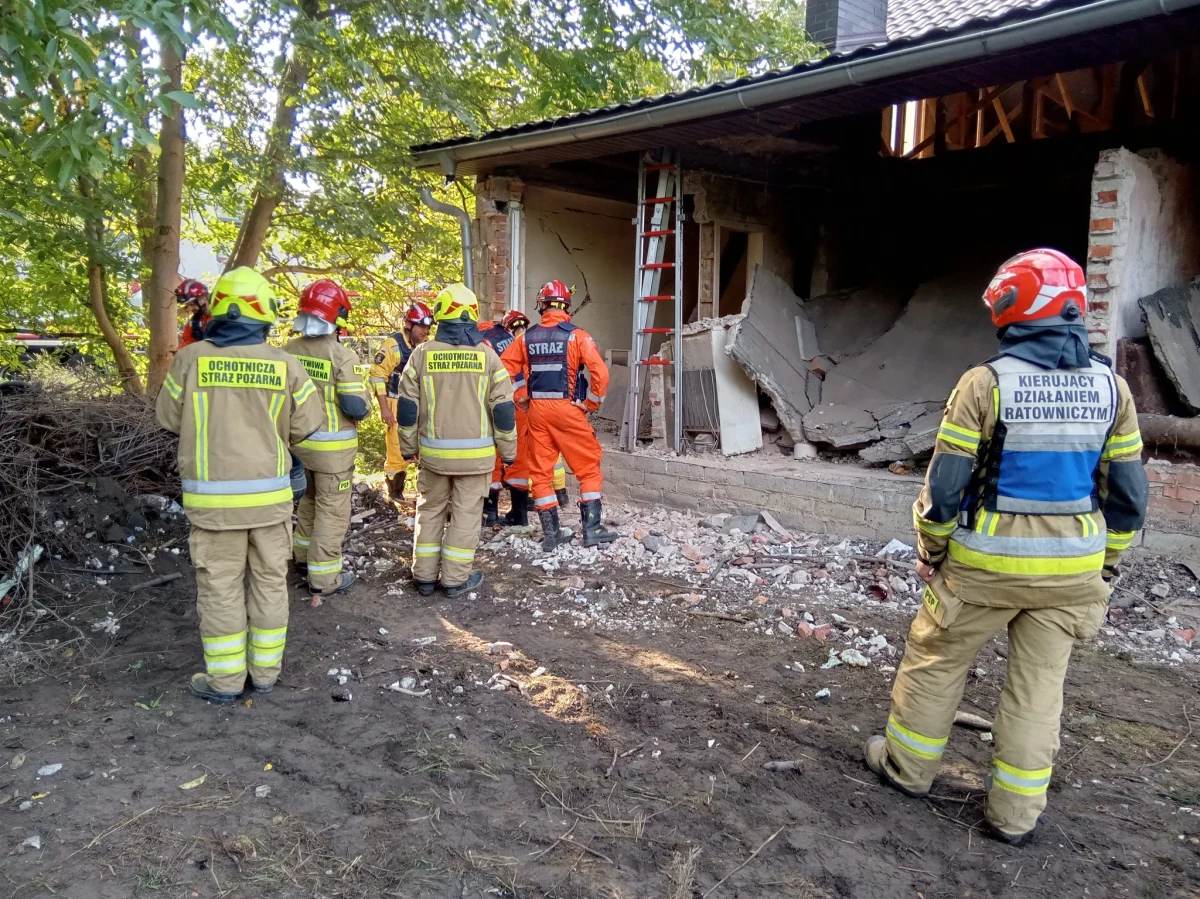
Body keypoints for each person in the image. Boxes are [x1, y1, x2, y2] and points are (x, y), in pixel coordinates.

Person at [863, 249, 1149, 845]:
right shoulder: (1113, 389)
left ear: (1014, 309)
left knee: (936, 661)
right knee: (1039, 688)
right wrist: (1107, 564)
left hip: (983, 570)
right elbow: (1127, 496)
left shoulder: (985, 383)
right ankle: (1014, 817)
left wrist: (931, 551)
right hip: (1072, 574)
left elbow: (945, 488)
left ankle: (907, 769)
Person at [156, 266, 324, 704]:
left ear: (216, 311)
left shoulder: (190, 359)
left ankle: (226, 682)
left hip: (213, 507)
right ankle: (265, 675)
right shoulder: (285, 365)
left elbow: (168, 418)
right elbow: (308, 424)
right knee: (269, 583)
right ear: (265, 313)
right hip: (269, 503)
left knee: (220, 588)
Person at [394, 283, 517, 596]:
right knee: (465, 516)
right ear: (472, 315)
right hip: (475, 461)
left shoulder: (421, 355)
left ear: (440, 316)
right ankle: (454, 580)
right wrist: (509, 452)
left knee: (430, 511)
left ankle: (423, 577)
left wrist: (407, 448)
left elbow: (407, 409)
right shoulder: (488, 357)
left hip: (433, 457)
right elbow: (503, 411)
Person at [502, 280, 616, 551]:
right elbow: (600, 373)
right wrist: (591, 403)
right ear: (566, 307)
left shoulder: (525, 338)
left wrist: (519, 396)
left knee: (540, 473)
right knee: (588, 467)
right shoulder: (577, 336)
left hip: (537, 412)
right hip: (568, 410)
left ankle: (552, 534)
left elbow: (503, 366)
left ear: (541, 306)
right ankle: (592, 529)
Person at [283, 279, 371, 602]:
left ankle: (301, 558)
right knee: (332, 513)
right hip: (332, 454)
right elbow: (355, 407)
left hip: (298, 448)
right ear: (337, 317)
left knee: (308, 502)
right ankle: (324, 579)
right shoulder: (341, 356)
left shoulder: (288, 352)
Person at [368, 301, 433, 499]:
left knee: (424, 447)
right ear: (409, 325)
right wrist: (384, 408)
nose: (425, 331)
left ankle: (426, 491)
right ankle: (395, 492)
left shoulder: (426, 346)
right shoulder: (393, 345)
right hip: (395, 403)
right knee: (397, 449)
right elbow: (377, 375)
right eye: (421, 326)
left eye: (428, 327)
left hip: (420, 404)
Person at [480, 309, 530, 526]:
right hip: (522, 406)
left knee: (493, 457)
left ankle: (489, 513)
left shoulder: (485, 339)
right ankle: (519, 515)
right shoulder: (525, 342)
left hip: (498, 405)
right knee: (519, 458)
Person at [176, 279, 212, 349]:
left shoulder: (222, 317)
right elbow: (188, 342)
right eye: (187, 305)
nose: (189, 309)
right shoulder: (194, 322)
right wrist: (179, 353)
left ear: (204, 299)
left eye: (192, 304)